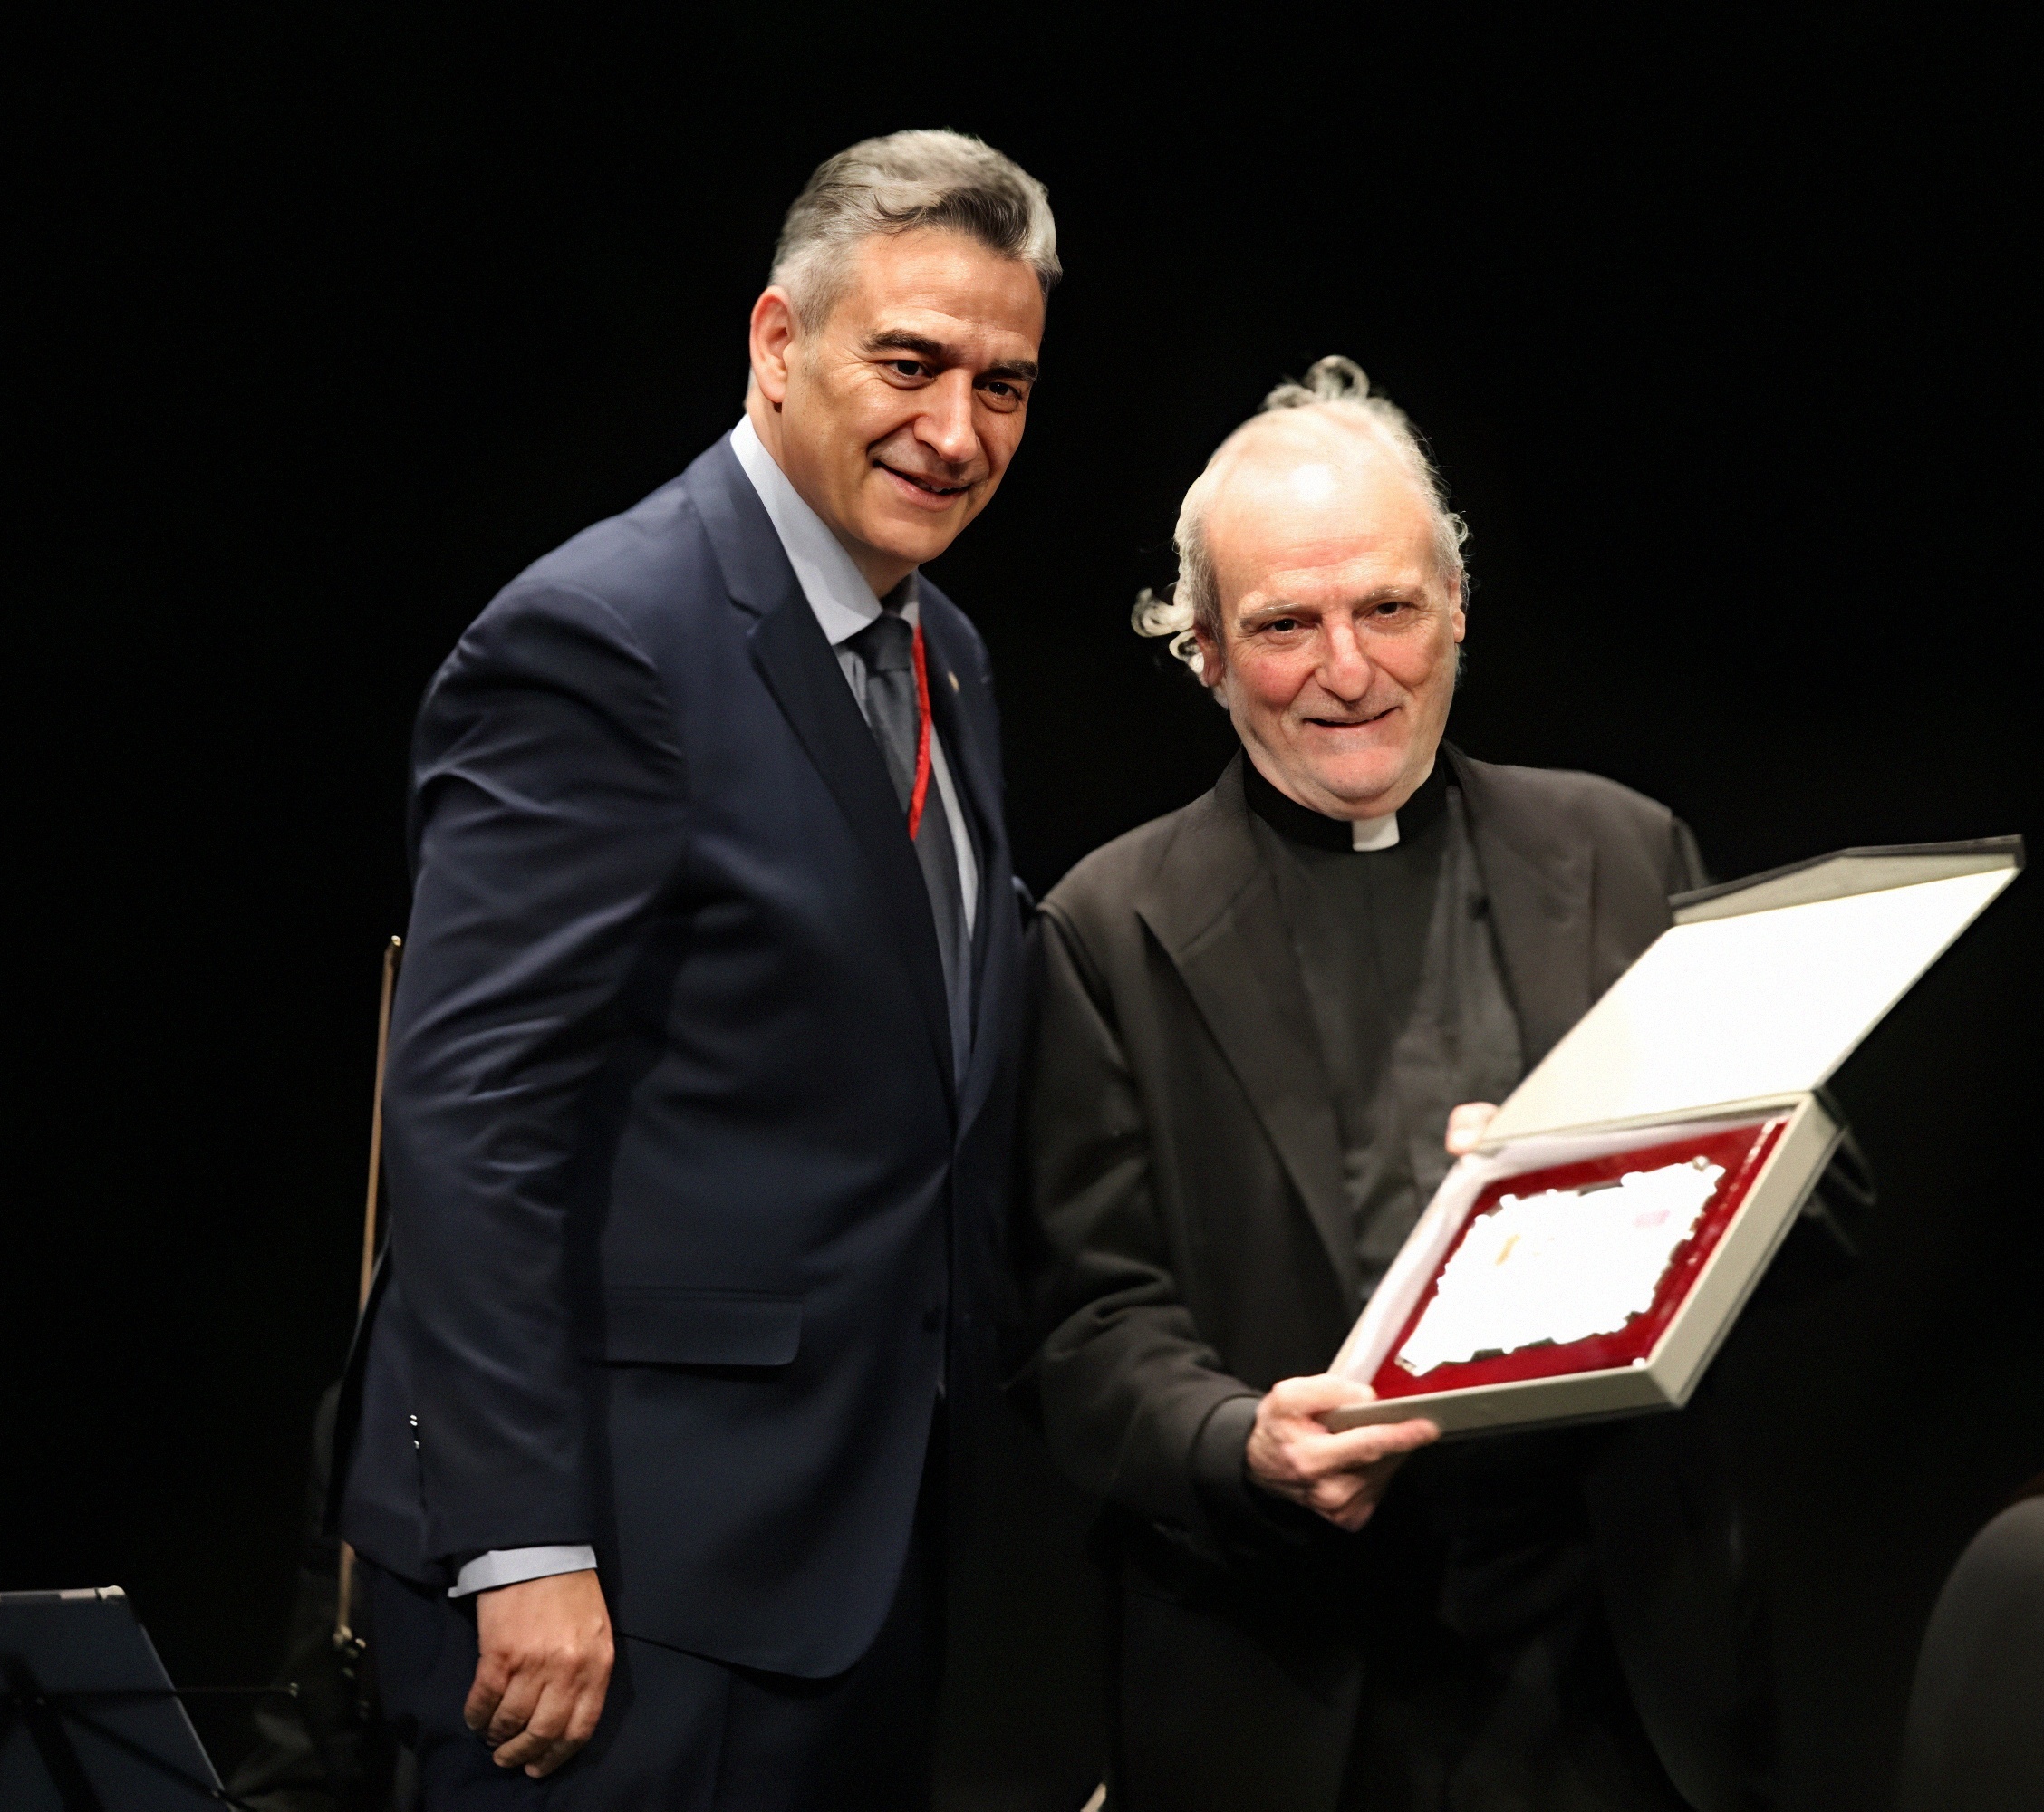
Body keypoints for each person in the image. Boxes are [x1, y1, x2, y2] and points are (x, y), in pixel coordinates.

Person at [1023, 359, 1868, 1811]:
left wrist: (1645, 1165)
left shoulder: (1619, 852)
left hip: (1617, 1681)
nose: (1349, 670)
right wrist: (1242, 1442)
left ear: (1458, 607)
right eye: (1286, 625)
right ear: (1205, 653)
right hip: (1287, 1686)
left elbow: (1831, 1215)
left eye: (1390, 609)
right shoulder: (1107, 930)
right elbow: (1083, 1328)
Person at [335, 130, 1057, 1808]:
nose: (956, 433)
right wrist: (521, 1547)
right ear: (776, 342)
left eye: (1006, 386)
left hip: (848, 1573)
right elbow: (468, 1118)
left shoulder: (942, 648)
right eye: (912, 364)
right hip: (610, 1598)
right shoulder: (603, 638)